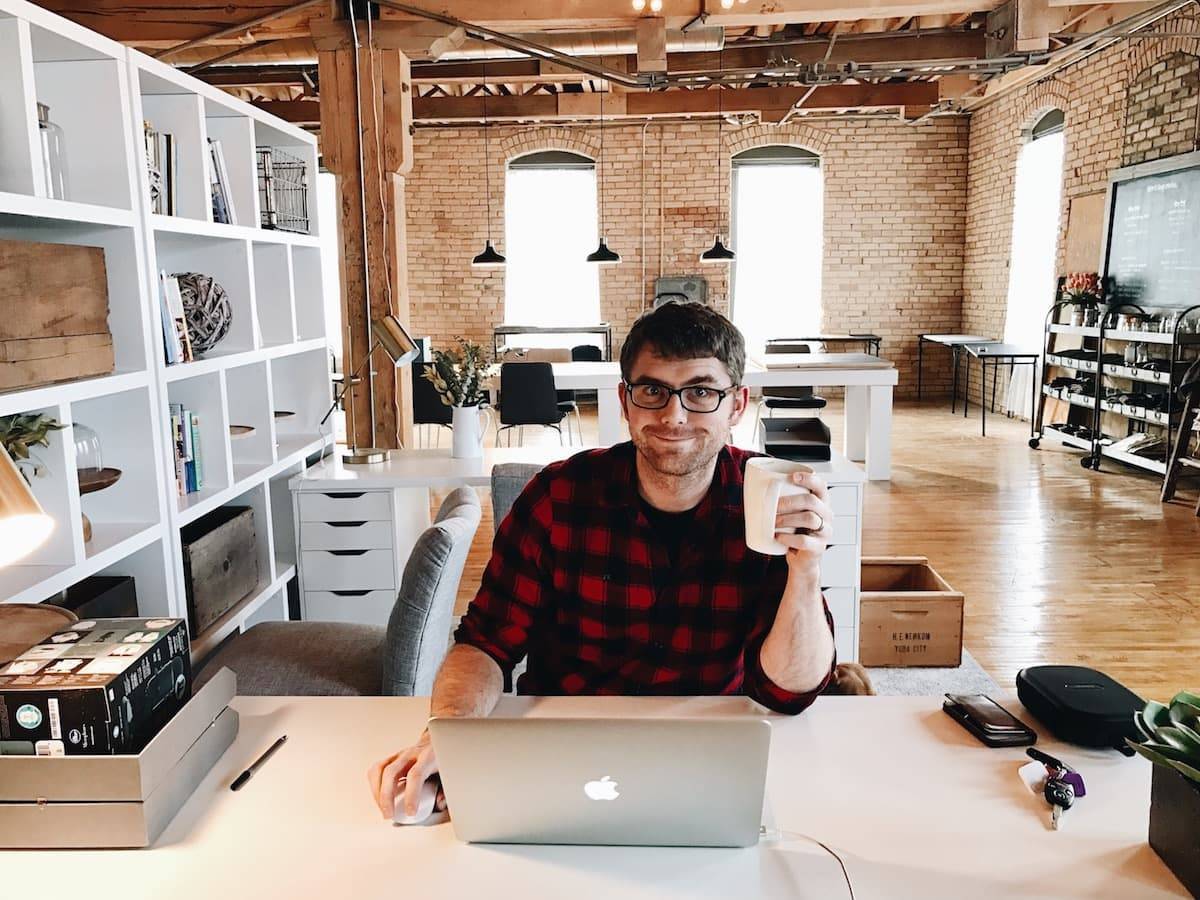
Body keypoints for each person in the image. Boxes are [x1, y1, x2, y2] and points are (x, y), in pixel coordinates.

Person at [369, 301, 837, 820]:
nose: (674, 415)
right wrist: (449, 735)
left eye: (701, 392)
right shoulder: (559, 497)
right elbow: (486, 644)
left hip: (711, 751)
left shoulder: (765, 502)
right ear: (625, 401)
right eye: (653, 390)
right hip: (561, 748)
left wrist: (806, 569)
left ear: (737, 404)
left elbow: (787, 693)